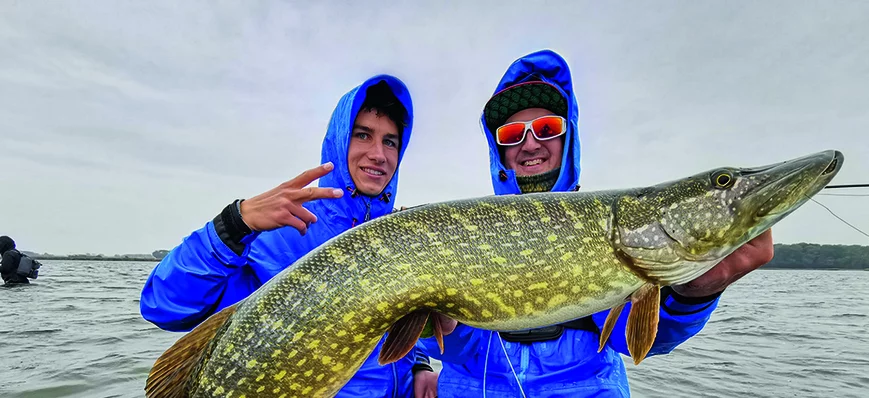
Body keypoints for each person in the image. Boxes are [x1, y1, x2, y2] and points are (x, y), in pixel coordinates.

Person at [419, 49, 775, 397]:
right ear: (500, 149)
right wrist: (433, 332)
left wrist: (694, 295)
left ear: (568, 136)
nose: (530, 144)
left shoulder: (602, 227)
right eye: (512, 135)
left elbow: (638, 341)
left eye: (546, 128)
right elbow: (459, 351)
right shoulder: (466, 234)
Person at [140, 75, 437, 397]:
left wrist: (419, 363)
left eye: (390, 141)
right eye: (363, 135)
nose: (379, 154)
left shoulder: (403, 235)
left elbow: (393, 316)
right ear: (339, 141)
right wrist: (234, 224)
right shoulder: (281, 228)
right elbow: (164, 307)